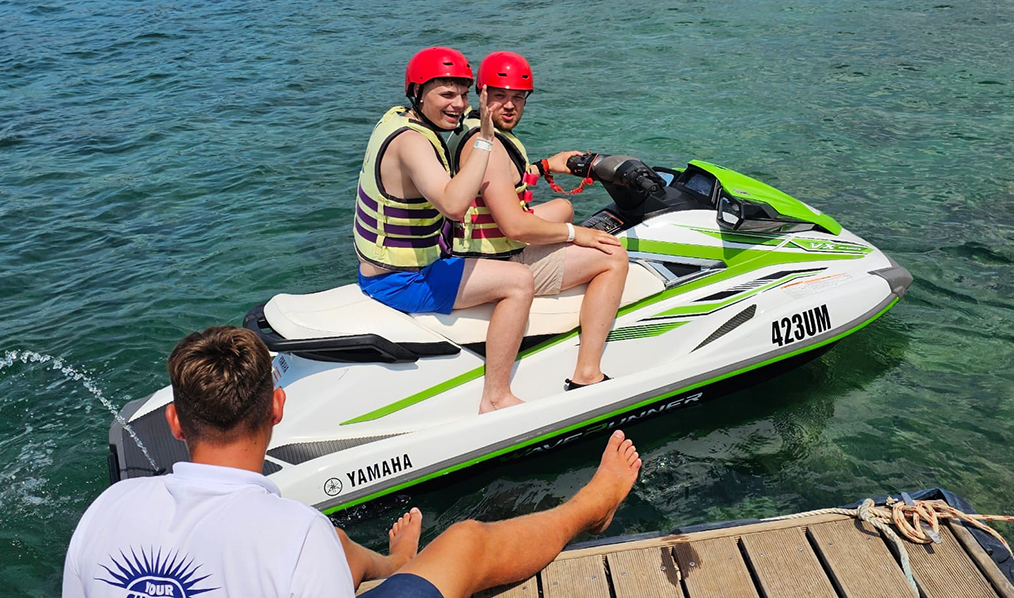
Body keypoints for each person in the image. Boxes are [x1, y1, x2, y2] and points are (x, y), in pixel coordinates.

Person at [62, 326, 643, 598]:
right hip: (301, 548)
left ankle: (394, 563)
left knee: (333, 544)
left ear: (174, 422)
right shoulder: (293, 533)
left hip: (307, 547)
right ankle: (591, 507)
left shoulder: (107, 510)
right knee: (466, 543)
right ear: (278, 407)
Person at [354, 47, 535, 413]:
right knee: (519, 281)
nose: (459, 104)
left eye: (464, 94)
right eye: (447, 94)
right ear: (418, 94)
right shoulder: (412, 143)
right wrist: (484, 140)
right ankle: (496, 396)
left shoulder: (395, 119)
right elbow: (453, 205)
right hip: (402, 280)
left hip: (382, 269)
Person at [448, 52, 629, 390]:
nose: (509, 106)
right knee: (613, 256)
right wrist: (576, 235)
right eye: (500, 96)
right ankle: (587, 372)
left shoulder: (471, 129)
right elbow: (515, 227)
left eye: (518, 97)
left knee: (562, 206)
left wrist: (545, 166)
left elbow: (500, 183)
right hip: (496, 259)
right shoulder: (488, 146)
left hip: (480, 240)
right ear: (482, 93)